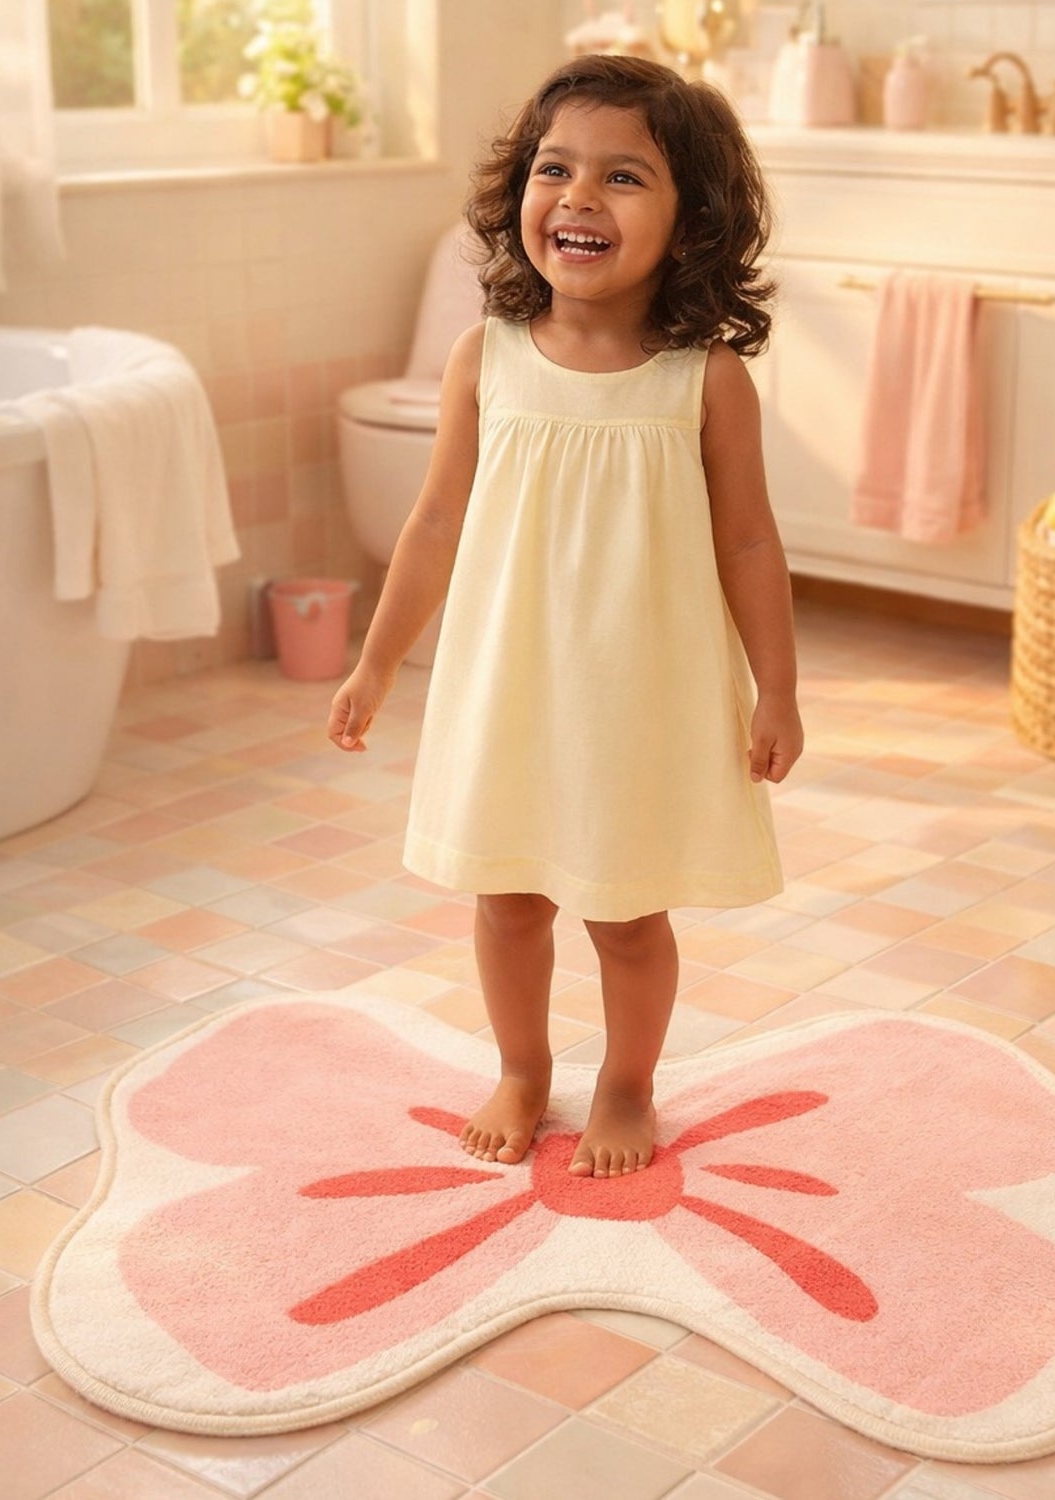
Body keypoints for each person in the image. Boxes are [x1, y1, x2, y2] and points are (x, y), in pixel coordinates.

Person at [326, 54, 802, 1179]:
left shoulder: (703, 380)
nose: (580, 197)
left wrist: (776, 688)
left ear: (693, 220)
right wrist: (376, 663)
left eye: (623, 177)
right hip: (510, 686)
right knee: (507, 898)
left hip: (636, 698)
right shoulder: (483, 358)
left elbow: (748, 543)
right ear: (519, 194)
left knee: (627, 915)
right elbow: (433, 524)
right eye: (556, 169)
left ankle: (628, 1083)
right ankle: (522, 1068)